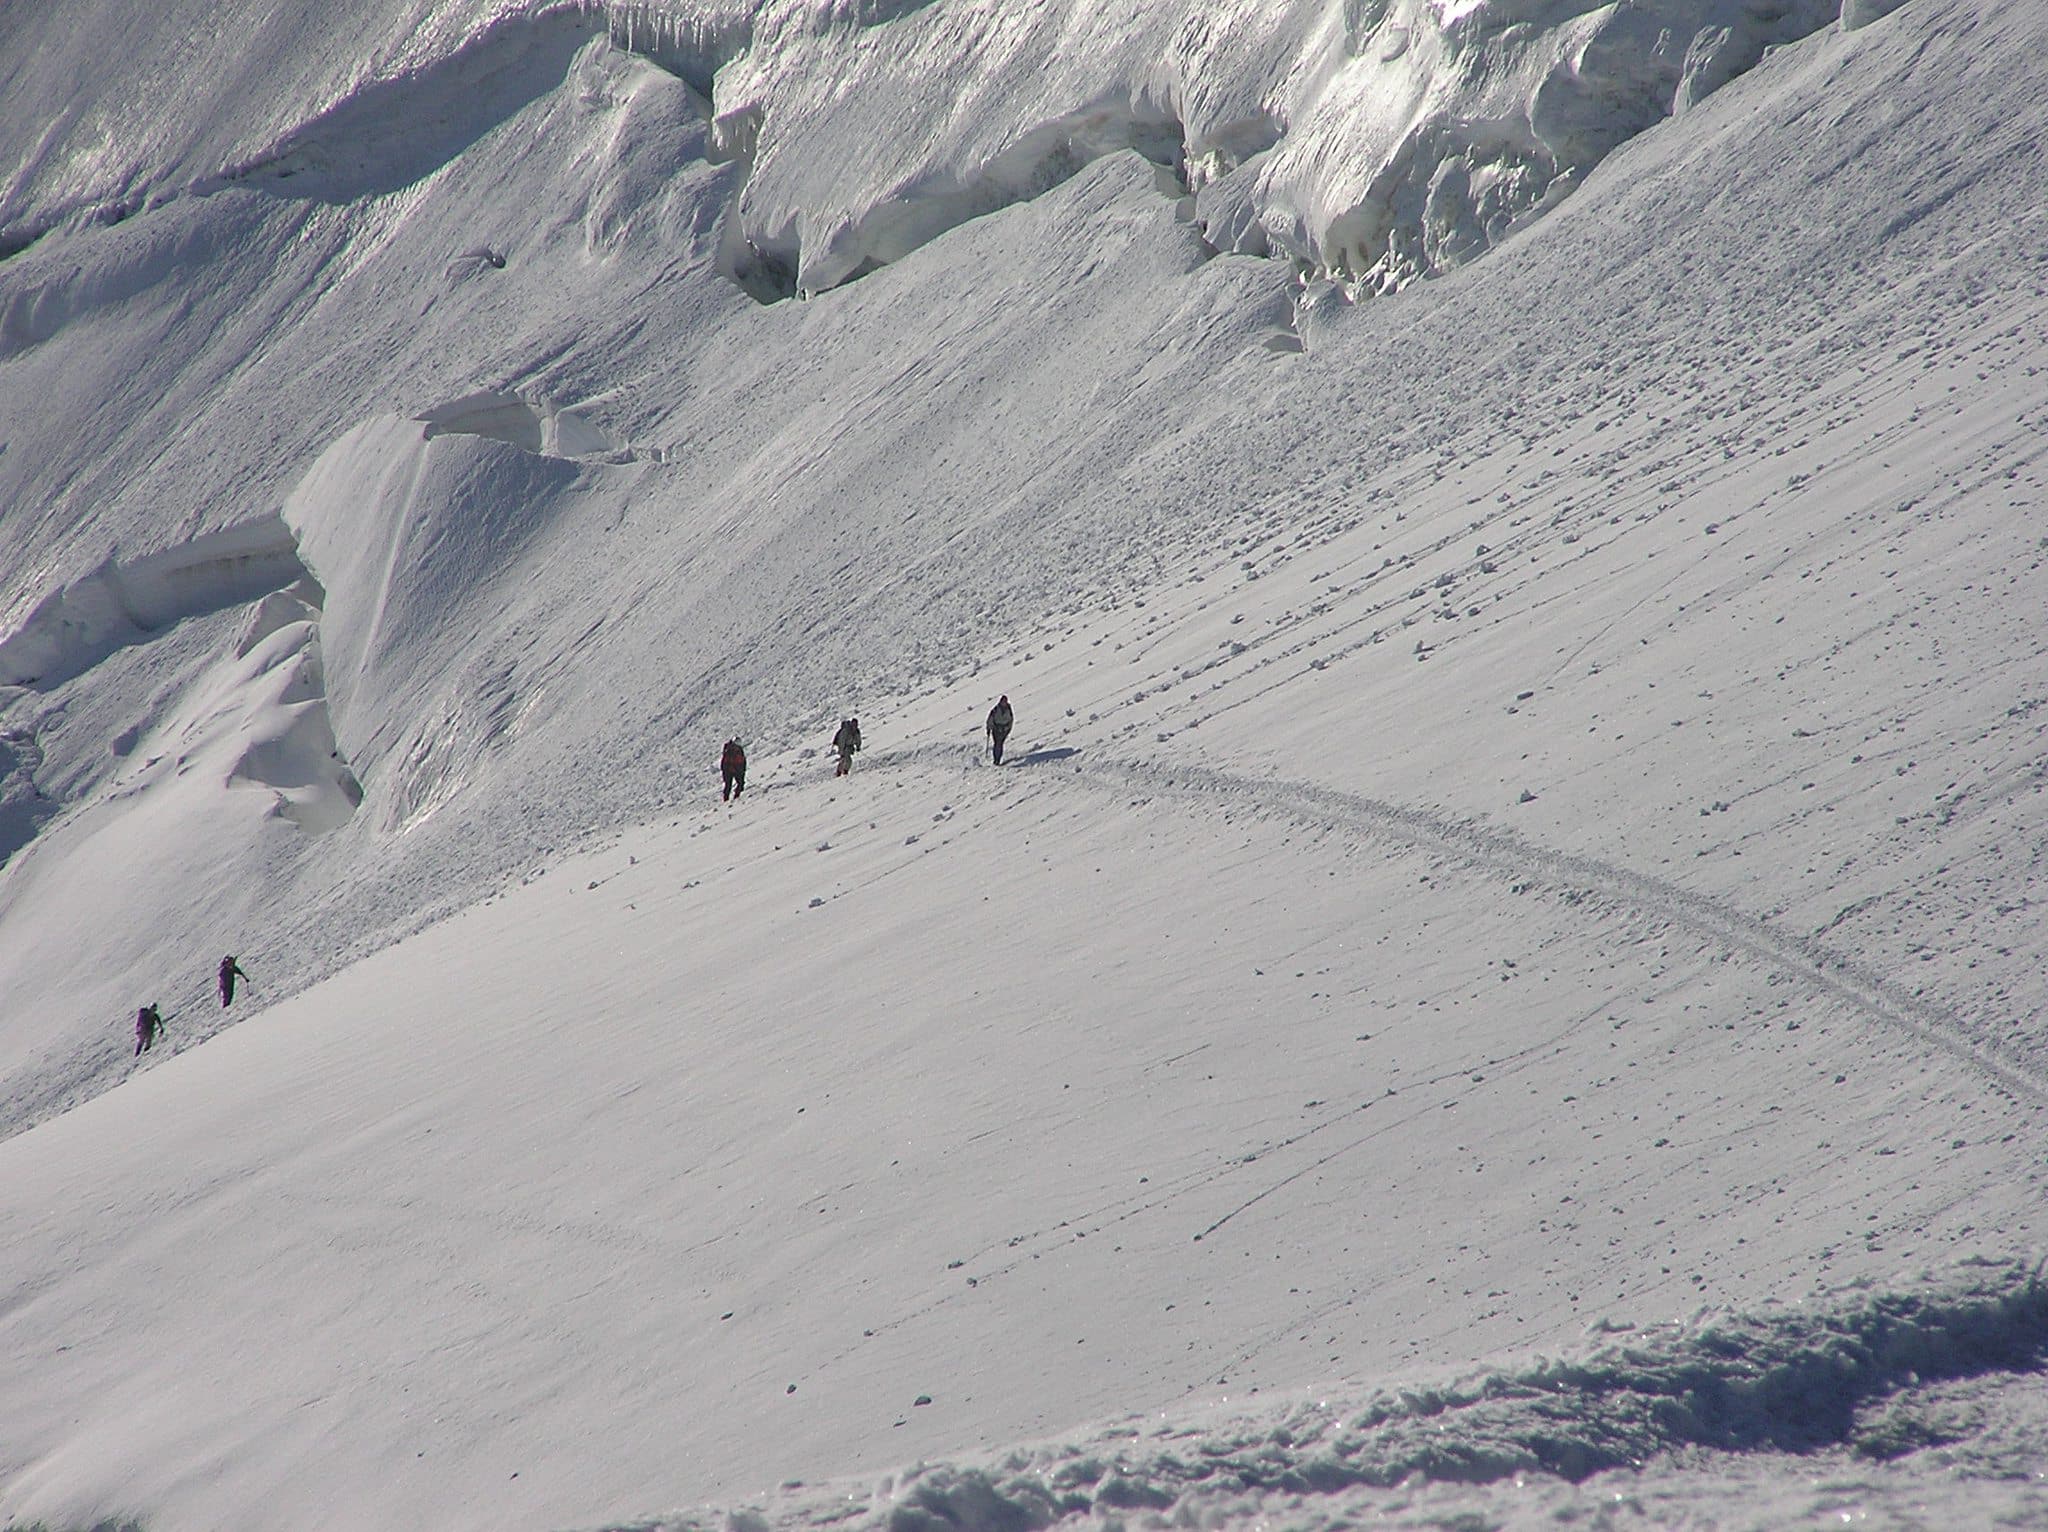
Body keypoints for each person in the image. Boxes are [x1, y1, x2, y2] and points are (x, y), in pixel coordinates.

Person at [986, 695, 1014, 765]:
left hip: (1004, 730)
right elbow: (990, 719)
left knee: (1000, 744)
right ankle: (996, 759)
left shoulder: (1009, 710)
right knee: (997, 743)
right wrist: (989, 728)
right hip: (996, 729)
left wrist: (1008, 729)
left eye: (1005, 701)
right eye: (1003, 701)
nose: (1004, 703)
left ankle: (998, 759)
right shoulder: (995, 709)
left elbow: (1011, 720)